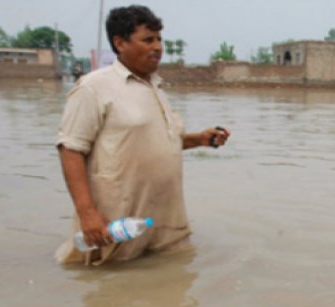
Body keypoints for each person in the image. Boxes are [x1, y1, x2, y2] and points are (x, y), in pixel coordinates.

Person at [55, 5, 230, 265]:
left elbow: (155, 141)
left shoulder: (156, 87)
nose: (158, 47)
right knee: (110, 288)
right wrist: (88, 213)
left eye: (159, 39)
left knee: (172, 286)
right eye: (148, 40)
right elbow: (70, 149)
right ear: (120, 43)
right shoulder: (94, 87)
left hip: (166, 218)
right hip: (119, 219)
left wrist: (200, 140)